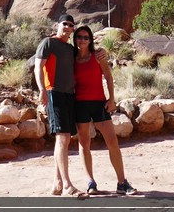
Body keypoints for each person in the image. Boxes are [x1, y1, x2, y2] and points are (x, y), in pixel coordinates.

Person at [72, 24, 137, 196]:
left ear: (90, 40)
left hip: (99, 103)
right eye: (79, 37)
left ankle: (122, 182)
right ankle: (90, 182)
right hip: (80, 105)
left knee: (112, 142)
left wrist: (111, 99)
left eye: (86, 37)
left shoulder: (98, 56)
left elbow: (108, 76)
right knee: (84, 143)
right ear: (75, 39)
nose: (83, 40)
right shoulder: (72, 58)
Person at [33, 14, 87, 198]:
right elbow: (38, 67)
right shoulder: (48, 43)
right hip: (54, 93)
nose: (67, 27)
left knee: (63, 139)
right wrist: (42, 91)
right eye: (65, 23)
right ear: (57, 25)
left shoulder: (71, 49)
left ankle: (57, 183)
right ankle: (67, 186)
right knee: (63, 137)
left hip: (70, 95)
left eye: (71, 25)